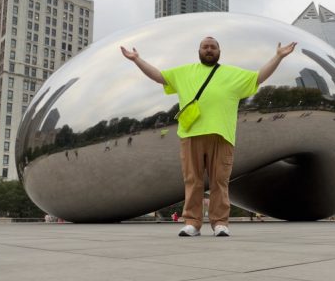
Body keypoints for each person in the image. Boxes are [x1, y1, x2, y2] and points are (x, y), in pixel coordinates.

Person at [121, 37, 296, 237]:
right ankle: (192, 223)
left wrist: (278, 57)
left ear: (219, 51)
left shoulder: (232, 73)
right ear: (199, 51)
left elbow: (258, 78)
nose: (209, 50)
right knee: (192, 180)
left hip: (222, 136)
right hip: (191, 135)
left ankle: (220, 223)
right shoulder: (185, 72)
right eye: (205, 47)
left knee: (220, 181)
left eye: (213, 47)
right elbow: (159, 76)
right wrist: (137, 60)